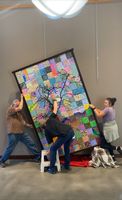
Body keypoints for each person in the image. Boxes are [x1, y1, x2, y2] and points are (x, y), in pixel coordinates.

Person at [0, 94, 40, 168]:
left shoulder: (18, 114)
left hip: (21, 132)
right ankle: (2, 161)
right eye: (17, 104)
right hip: (13, 133)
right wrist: (22, 98)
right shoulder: (10, 110)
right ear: (13, 104)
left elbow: (22, 122)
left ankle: (38, 157)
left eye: (18, 104)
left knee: (31, 143)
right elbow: (20, 108)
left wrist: (28, 125)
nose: (18, 106)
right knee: (10, 148)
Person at [42, 97, 74, 174]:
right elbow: (55, 108)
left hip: (64, 134)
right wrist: (54, 99)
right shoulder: (50, 118)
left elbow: (52, 144)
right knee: (66, 148)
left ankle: (52, 169)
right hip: (70, 131)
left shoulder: (46, 132)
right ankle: (67, 166)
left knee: (53, 149)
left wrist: (49, 151)